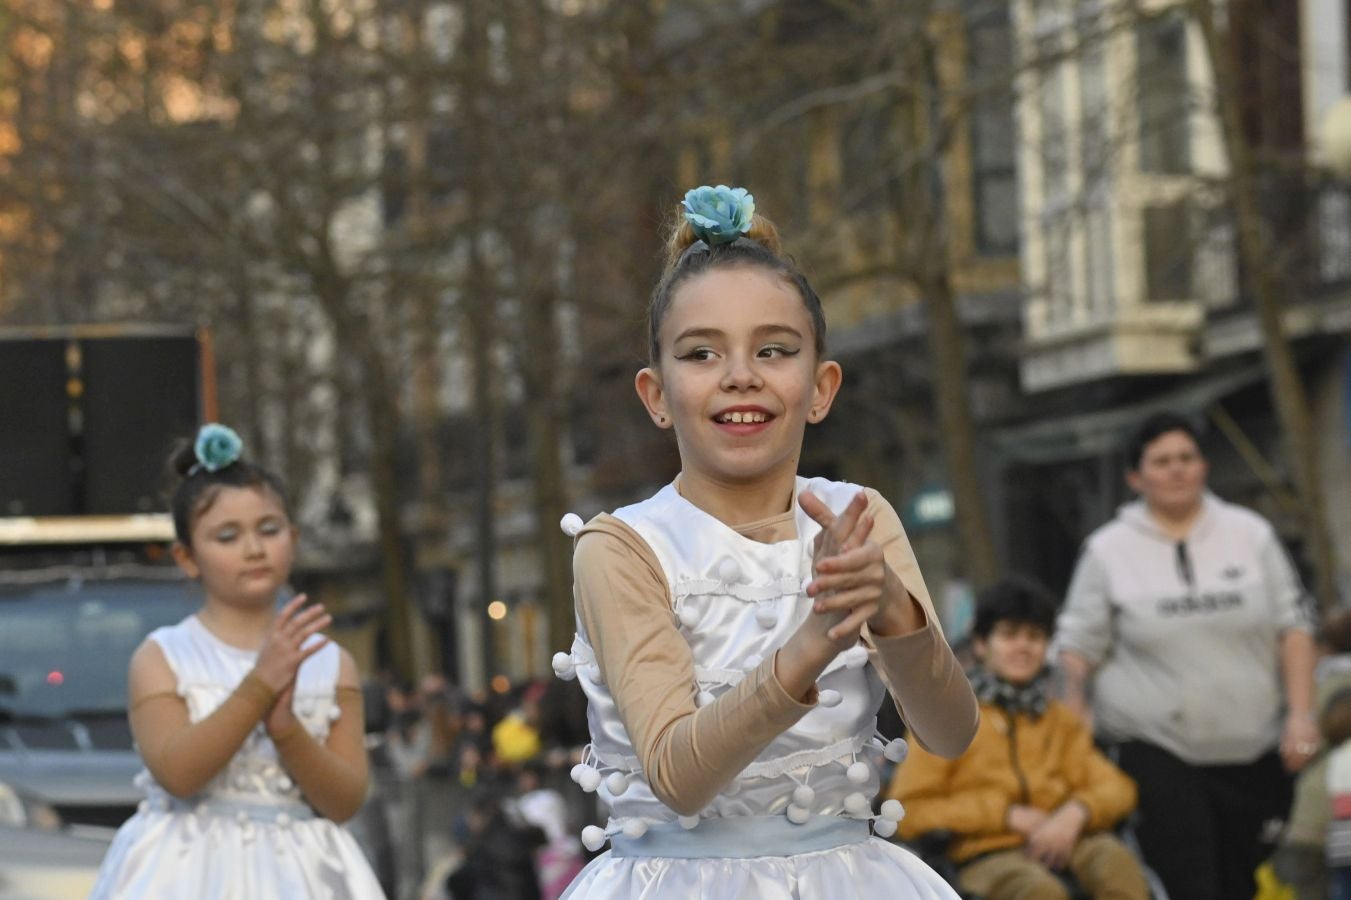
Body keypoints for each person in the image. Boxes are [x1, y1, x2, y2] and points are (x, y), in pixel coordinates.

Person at [551, 185, 979, 899]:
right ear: (656, 395)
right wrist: (814, 641)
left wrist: (893, 611)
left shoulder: (858, 517)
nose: (740, 376)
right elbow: (677, 775)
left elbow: (951, 734)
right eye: (701, 354)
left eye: (773, 349)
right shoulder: (622, 547)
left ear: (820, 386)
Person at [90, 423, 384, 899]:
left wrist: (287, 731)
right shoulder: (162, 656)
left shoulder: (331, 661)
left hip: (304, 875)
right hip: (185, 871)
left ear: (293, 536)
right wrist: (259, 687)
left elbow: (345, 800)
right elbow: (179, 775)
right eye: (227, 536)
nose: (253, 548)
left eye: (268, 530)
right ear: (187, 557)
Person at [1057, 411, 1317, 900]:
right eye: (1161, 461)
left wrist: (1301, 715)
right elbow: (1076, 649)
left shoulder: (1251, 534)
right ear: (1136, 477)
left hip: (1253, 748)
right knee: (1192, 878)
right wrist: (1074, 716)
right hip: (1155, 745)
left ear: (1203, 467)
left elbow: (1294, 628)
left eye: (1186, 457)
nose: (1176, 470)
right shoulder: (1107, 551)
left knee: (1242, 878)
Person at [888, 577, 1147, 900]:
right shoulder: (947, 719)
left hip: (1065, 840)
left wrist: (1075, 814)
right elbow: (908, 810)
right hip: (983, 854)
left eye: (1035, 637)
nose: (1023, 646)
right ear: (981, 644)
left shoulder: (1058, 719)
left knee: (1117, 862)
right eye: (1009, 635)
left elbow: (1117, 788)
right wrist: (1005, 815)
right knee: (1038, 891)